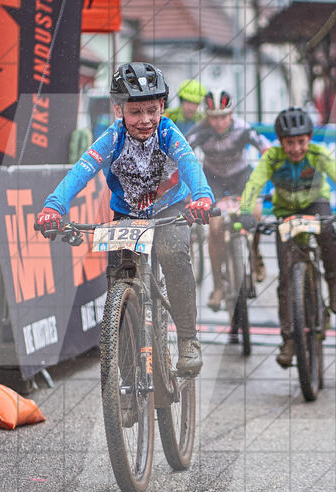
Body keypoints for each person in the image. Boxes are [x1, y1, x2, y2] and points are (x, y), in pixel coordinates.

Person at [35, 62, 214, 376]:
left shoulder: (168, 132)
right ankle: (127, 367)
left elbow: (189, 163)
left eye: (152, 110)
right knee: (121, 275)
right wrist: (54, 207)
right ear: (118, 110)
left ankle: (188, 340)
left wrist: (202, 197)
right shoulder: (112, 138)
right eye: (135, 112)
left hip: (169, 209)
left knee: (173, 253)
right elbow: (80, 172)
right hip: (127, 214)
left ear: (162, 107)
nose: (145, 120)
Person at [237, 106, 336, 369]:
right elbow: (254, 184)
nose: (296, 148)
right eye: (289, 143)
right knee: (286, 280)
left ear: (309, 139)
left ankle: (335, 283)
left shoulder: (318, 154)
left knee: (328, 234)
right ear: (280, 142)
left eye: (301, 142)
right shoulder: (272, 158)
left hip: (316, 204)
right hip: (285, 211)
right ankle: (289, 340)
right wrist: (246, 212)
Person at [186, 88, 270, 310]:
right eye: (213, 117)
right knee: (214, 227)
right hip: (214, 179)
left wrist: (269, 158)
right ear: (207, 116)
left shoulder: (242, 128)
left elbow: (265, 147)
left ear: (231, 114)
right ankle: (218, 286)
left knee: (255, 213)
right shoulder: (200, 130)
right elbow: (181, 153)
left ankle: (255, 254)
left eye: (223, 117)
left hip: (241, 176)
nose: (219, 122)